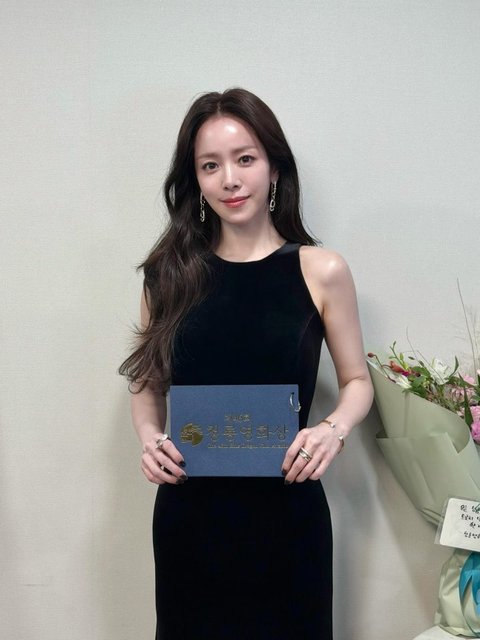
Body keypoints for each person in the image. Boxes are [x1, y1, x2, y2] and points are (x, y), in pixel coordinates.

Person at [119, 88, 373, 639]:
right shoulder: (166, 277)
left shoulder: (321, 270)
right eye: (210, 166)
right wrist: (149, 438)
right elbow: (147, 384)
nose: (230, 179)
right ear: (196, 181)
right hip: (191, 517)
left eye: (245, 159)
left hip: (288, 513)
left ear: (274, 168)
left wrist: (333, 429)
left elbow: (357, 380)